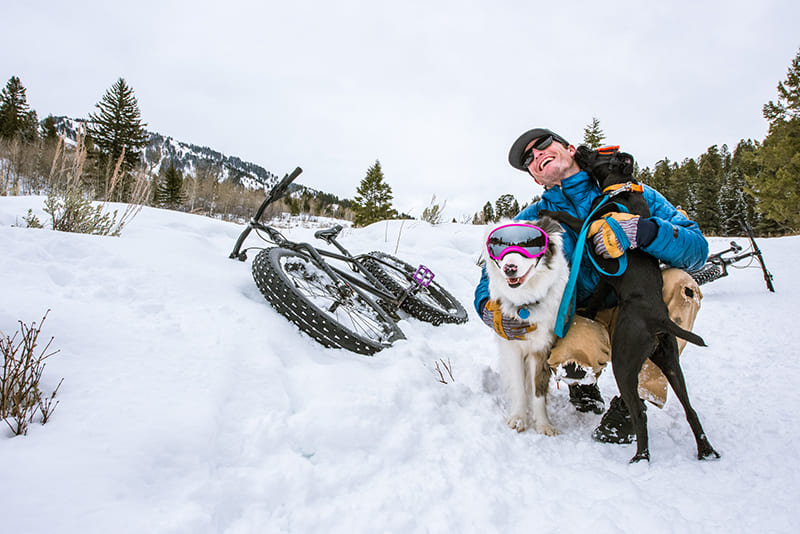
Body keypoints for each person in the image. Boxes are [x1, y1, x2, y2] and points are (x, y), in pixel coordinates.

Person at [474, 127, 708, 444]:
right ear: (535, 179)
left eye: (543, 144)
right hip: (580, 317)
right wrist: (491, 309)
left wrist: (646, 232)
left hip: (639, 307)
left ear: (570, 148)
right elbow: (492, 275)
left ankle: (633, 400)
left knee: (682, 285)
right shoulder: (531, 222)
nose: (537, 154)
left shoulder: (633, 195)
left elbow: (697, 250)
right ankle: (580, 380)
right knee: (571, 346)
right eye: (529, 158)